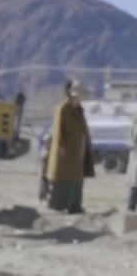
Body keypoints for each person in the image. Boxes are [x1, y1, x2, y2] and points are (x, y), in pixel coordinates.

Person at [46, 80, 95, 213]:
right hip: (65, 153)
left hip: (77, 151)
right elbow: (58, 130)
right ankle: (58, 206)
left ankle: (75, 207)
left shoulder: (78, 110)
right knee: (63, 180)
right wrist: (61, 147)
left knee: (76, 180)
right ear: (74, 94)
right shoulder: (63, 108)